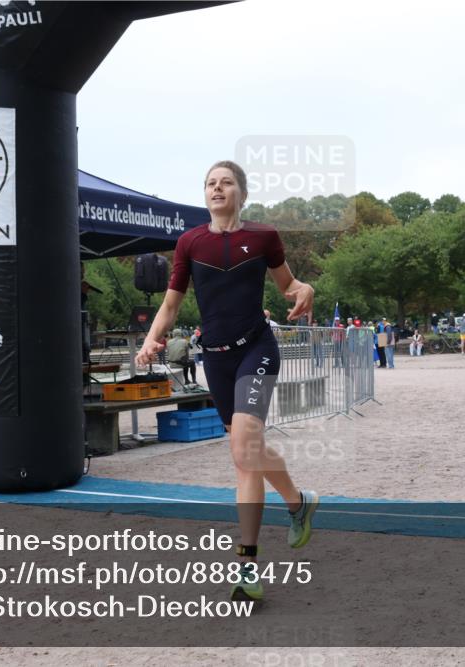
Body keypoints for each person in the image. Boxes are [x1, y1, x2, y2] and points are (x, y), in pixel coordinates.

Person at [135, 160, 318, 603]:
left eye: (226, 182)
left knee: (243, 452)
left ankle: (247, 566)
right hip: (215, 359)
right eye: (210, 184)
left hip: (256, 348)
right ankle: (298, 503)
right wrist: (150, 339)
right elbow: (171, 305)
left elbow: (288, 285)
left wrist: (305, 290)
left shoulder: (263, 237)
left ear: (242, 191)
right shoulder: (189, 243)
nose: (217, 189)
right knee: (248, 451)